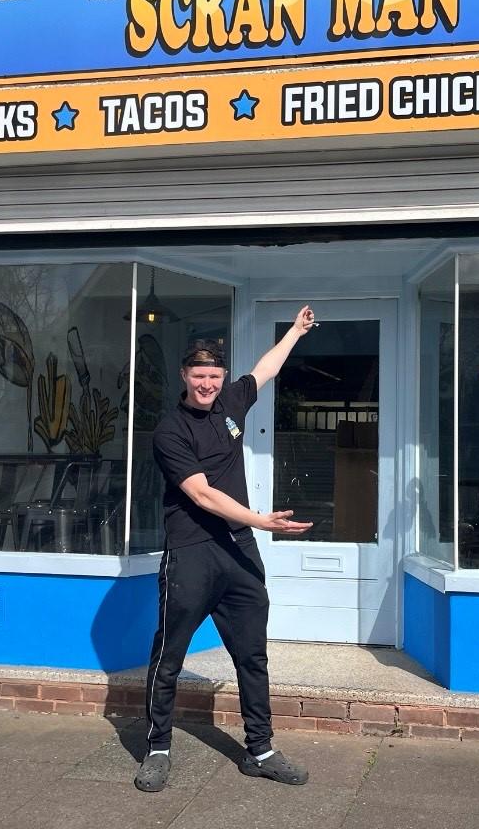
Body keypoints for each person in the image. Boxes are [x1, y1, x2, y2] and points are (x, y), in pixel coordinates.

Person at [134, 306, 316, 793]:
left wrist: (296, 332)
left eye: (214, 375)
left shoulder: (232, 405)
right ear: (184, 376)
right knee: (168, 657)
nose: (207, 384)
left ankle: (261, 749)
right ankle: (157, 748)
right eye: (199, 376)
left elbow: (266, 369)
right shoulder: (170, 430)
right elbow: (201, 494)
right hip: (192, 554)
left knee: (253, 658)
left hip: (238, 554)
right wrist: (261, 519)